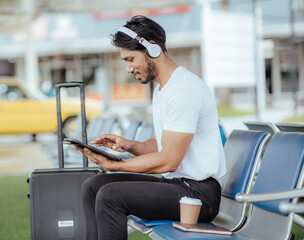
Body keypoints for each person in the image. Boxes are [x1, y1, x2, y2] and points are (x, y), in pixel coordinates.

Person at [74, 15, 226, 240]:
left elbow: (168, 160)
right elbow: (158, 146)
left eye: (130, 59)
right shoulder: (163, 88)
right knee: (93, 185)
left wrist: (118, 165)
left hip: (197, 196)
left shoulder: (183, 90)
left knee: (109, 196)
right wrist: (129, 145)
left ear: (152, 49)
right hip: (177, 185)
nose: (128, 68)